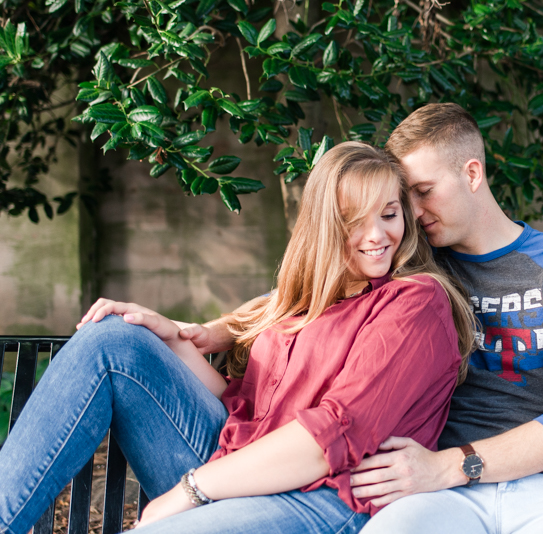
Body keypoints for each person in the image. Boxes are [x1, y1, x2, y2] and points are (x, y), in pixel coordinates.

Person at [0, 142, 477, 534]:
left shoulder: (415, 302)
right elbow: (243, 408)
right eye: (355, 219)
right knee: (113, 339)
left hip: (325, 496)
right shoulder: (312, 297)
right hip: (241, 464)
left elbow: (327, 438)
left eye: (389, 215)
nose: (377, 235)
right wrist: (170, 341)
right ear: (327, 224)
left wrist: (188, 492)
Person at [344, 103, 543, 533]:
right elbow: (313, 292)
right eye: (404, 196)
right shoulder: (412, 267)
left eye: (423, 191)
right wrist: (227, 329)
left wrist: (449, 465)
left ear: (471, 174)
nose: (413, 210)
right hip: (439, 499)